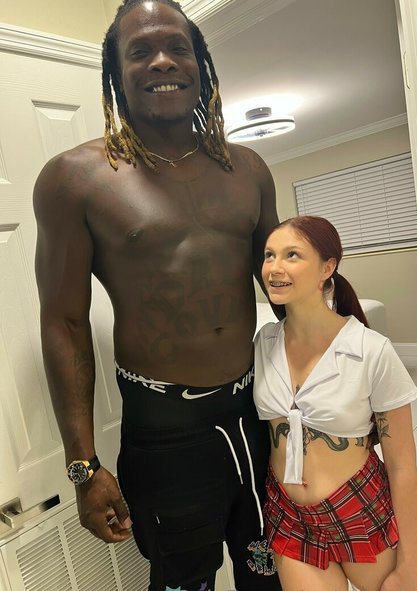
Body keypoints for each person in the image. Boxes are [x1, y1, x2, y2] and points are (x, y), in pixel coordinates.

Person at [33, 1, 282, 590]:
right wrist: (83, 466)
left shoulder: (248, 169)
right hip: (165, 432)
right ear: (116, 73)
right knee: (182, 582)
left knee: (272, 573)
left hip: (259, 415)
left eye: (177, 47)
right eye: (140, 51)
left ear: (201, 63)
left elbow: (285, 290)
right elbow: (64, 322)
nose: (162, 61)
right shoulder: (76, 178)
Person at [253, 216, 417, 591]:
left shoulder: (370, 350)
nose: (274, 268)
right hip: (291, 517)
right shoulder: (263, 343)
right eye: (269, 255)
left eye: (292, 255)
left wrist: (411, 568)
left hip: (358, 509)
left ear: (327, 267)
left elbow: (403, 467)